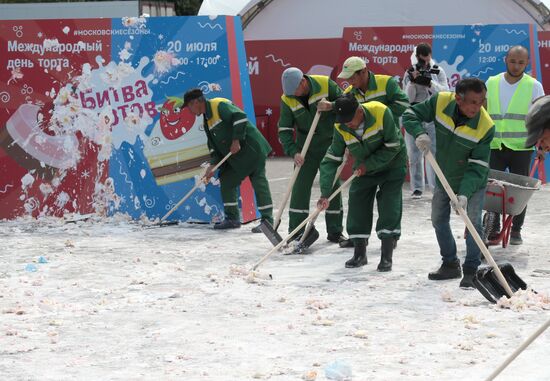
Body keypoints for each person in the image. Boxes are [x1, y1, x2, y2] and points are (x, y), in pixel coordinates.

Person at [402, 78, 495, 288]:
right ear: (458, 98)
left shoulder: (485, 126)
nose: (477, 107)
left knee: (472, 223)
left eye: (481, 102)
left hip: (472, 181)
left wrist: (464, 194)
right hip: (443, 175)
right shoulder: (441, 102)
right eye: (472, 102)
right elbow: (409, 115)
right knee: (438, 219)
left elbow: (478, 167)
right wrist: (419, 132)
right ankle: (450, 263)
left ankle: (471, 270)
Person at [317, 94, 407, 270]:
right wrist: (325, 192)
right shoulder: (340, 126)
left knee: (389, 205)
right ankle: (359, 254)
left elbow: (393, 146)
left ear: (359, 110)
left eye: (350, 120)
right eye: (344, 121)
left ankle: (386, 256)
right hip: (364, 166)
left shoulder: (381, 113)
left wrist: (369, 164)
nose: (348, 124)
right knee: (357, 202)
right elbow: (331, 158)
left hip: (393, 164)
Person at [183, 88, 273, 231]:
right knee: (227, 179)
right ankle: (232, 219)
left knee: (258, 181)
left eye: (189, 107)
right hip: (237, 158)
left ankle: (268, 221)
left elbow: (240, 116)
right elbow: (214, 148)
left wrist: (236, 139)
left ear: (196, 102)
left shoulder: (218, 105)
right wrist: (212, 166)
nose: (190, 111)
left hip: (252, 150)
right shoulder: (206, 121)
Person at [278, 67, 348, 246]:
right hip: (305, 149)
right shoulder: (287, 98)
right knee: (299, 188)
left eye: (295, 91)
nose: (293, 95)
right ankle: (297, 230)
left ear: (303, 82)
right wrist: (293, 151)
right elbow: (284, 129)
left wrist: (332, 106)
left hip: (329, 144)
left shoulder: (325, 84)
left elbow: (346, 103)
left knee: (331, 187)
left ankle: (335, 231)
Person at [485, 45, 546, 245]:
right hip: (495, 145)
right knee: (493, 190)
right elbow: (483, 113)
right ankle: (492, 226)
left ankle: (516, 230)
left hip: (522, 147)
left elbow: (542, 116)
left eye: (521, 62)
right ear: (505, 60)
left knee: (520, 192)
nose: (516, 65)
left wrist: (542, 144)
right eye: (513, 61)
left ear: (527, 63)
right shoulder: (492, 82)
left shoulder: (534, 85)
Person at [402, 43, 449, 199]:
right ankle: (417, 188)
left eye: (427, 60)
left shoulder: (438, 71)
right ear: (417, 58)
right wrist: (413, 83)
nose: (425, 64)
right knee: (413, 154)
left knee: (434, 153)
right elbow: (407, 99)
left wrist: (429, 83)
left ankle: (436, 187)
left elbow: (445, 93)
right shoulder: (410, 71)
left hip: (433, 115)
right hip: (415, 114)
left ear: (430, 55)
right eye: (422, 61)